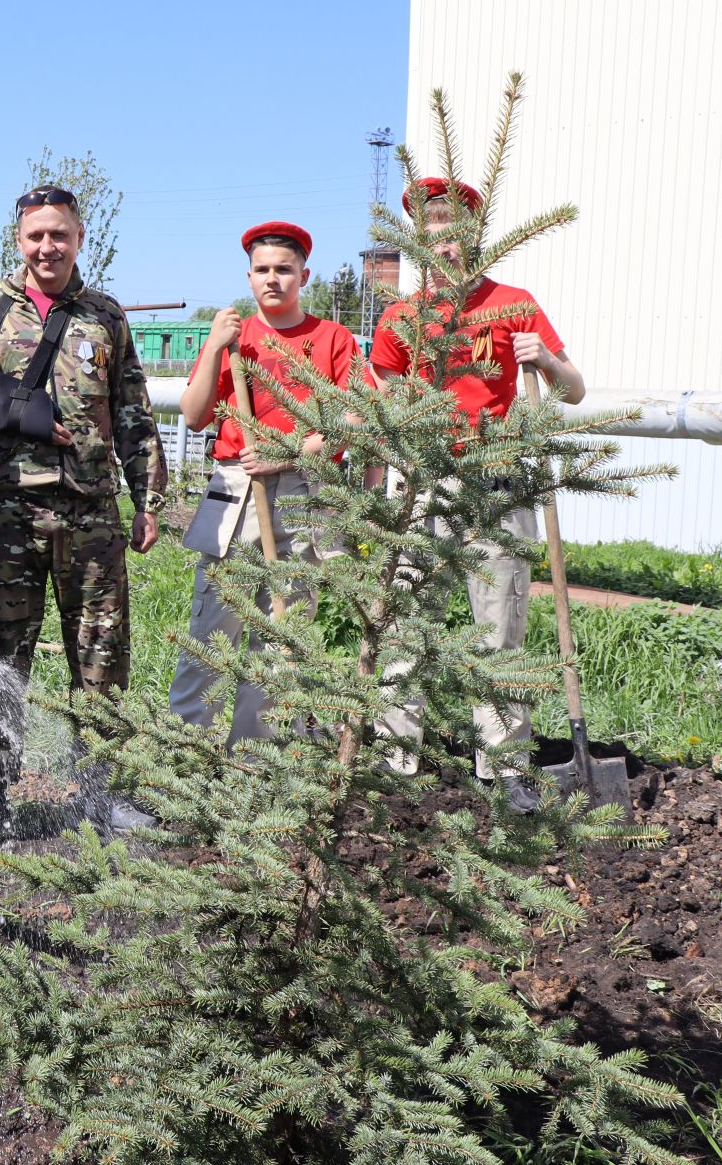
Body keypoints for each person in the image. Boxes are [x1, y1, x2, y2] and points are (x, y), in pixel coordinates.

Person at [368, 178, 586, 808]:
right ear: (417, 242)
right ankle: (395, 759)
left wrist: (546, 360)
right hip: (422, 484)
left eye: (455, 235)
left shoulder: (513, 304)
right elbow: (382, 403)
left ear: (474, 238)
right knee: (407, 624)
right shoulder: (401, 318)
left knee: (501, 625)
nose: (444, 247)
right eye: (432, 235)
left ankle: (505, 767)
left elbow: (574, 390)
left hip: (497, 481)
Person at [0, 185, 167, 830]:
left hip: (91, 512)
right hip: (10, 511)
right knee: (3, 656)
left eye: (60, 234)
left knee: (102, 657)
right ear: (18, 240)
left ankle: (99, 795)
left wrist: (149, 499)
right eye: (36, 236)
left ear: (79, 237)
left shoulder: (105, 315)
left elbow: (133, 412)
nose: (47, 247)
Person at [167, 221, 357, 741]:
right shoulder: (235, 339)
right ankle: (188, 753)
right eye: (262, 270)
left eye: (284, 269)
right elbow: (194, 415)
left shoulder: (332, 339)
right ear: (249, 276)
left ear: (304, 275)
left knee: (280, 635)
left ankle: (256, 759)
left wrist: (287, 452)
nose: (273, 279)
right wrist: (213, 346)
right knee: (212, 628)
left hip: (303, 490)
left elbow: (354, 418)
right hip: (238, 489)